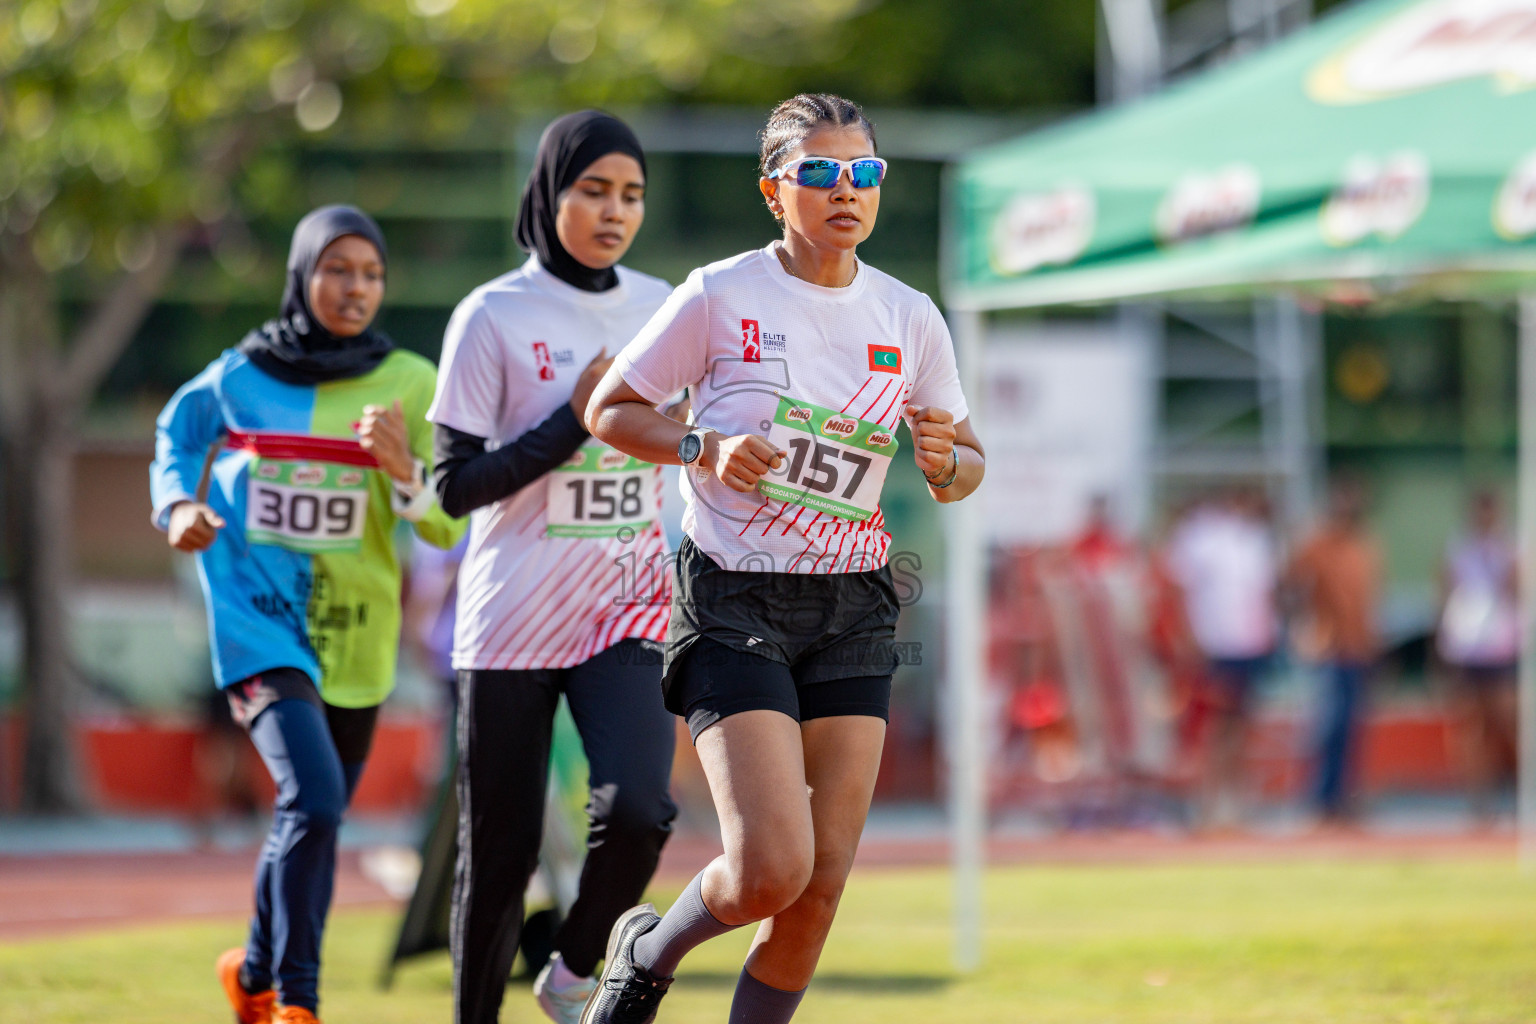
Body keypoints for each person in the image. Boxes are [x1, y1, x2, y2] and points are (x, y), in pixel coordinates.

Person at [583, 93, 985, 1024]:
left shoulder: (910, 315)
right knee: (771, 866)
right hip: (735, 596)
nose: (846, 190)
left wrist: (944, 460)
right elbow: (612, 409)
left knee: (821, 886)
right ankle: (645, 954)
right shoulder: (720, 294)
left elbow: (966, 465)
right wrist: (702, 447)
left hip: (856, 604)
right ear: (775, 190)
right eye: (820, 173)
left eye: (865, 173)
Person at [149, 205, 464, 1024]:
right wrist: (177, 504)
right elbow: (176, 434)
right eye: (337, 270)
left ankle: (250, 975)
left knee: (312, 817)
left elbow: (444, 521)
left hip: (357, 635)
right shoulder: (240, 375)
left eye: (371, 274)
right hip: (258, 620)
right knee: (314, 803)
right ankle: (299, 1002)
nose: (355, 288)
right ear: (301, 275)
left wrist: (401, 468)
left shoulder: (410, 382)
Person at [427, 110, 680, 1024]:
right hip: (511, 621)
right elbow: (455, 486)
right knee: (498, 858)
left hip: (629, 608)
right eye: (594, 190)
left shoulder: (665, 305)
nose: (615, 212)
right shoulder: (493, 314)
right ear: (549, 194)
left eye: (633, 195)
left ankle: (574, 970)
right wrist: (576, 416)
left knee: (644, 810)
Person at [1165, 490, 1279, 828]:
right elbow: (1180, 588)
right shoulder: (1205, 538)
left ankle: (1235, 803)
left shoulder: (1258, 541)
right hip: (1218, 646)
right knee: (1216, 726)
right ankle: (1209, 803)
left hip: (1250, 645)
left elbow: (1262, 595)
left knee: (1240, 727)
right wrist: (1188, 636)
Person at [1287, 480, 1381, 826]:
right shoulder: (1317, 544)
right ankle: (1318, 798)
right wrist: (1302, 629)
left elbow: (1369, 601)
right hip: (1328, 648)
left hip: (1357, 648)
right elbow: (1291, 586)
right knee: (1326, 726)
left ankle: (1343, 797)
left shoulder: (1365, 546)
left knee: (1351, 728)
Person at [1437, 489, 1519, 823]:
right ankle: (1478, 803)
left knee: (1510, 723)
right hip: (1467, 651)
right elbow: (1444, 595)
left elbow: (1518, 593)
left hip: (1501, 650)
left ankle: (1519, 796)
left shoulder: (1511, 549)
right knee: (1472, 730)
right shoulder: (1458, 550)